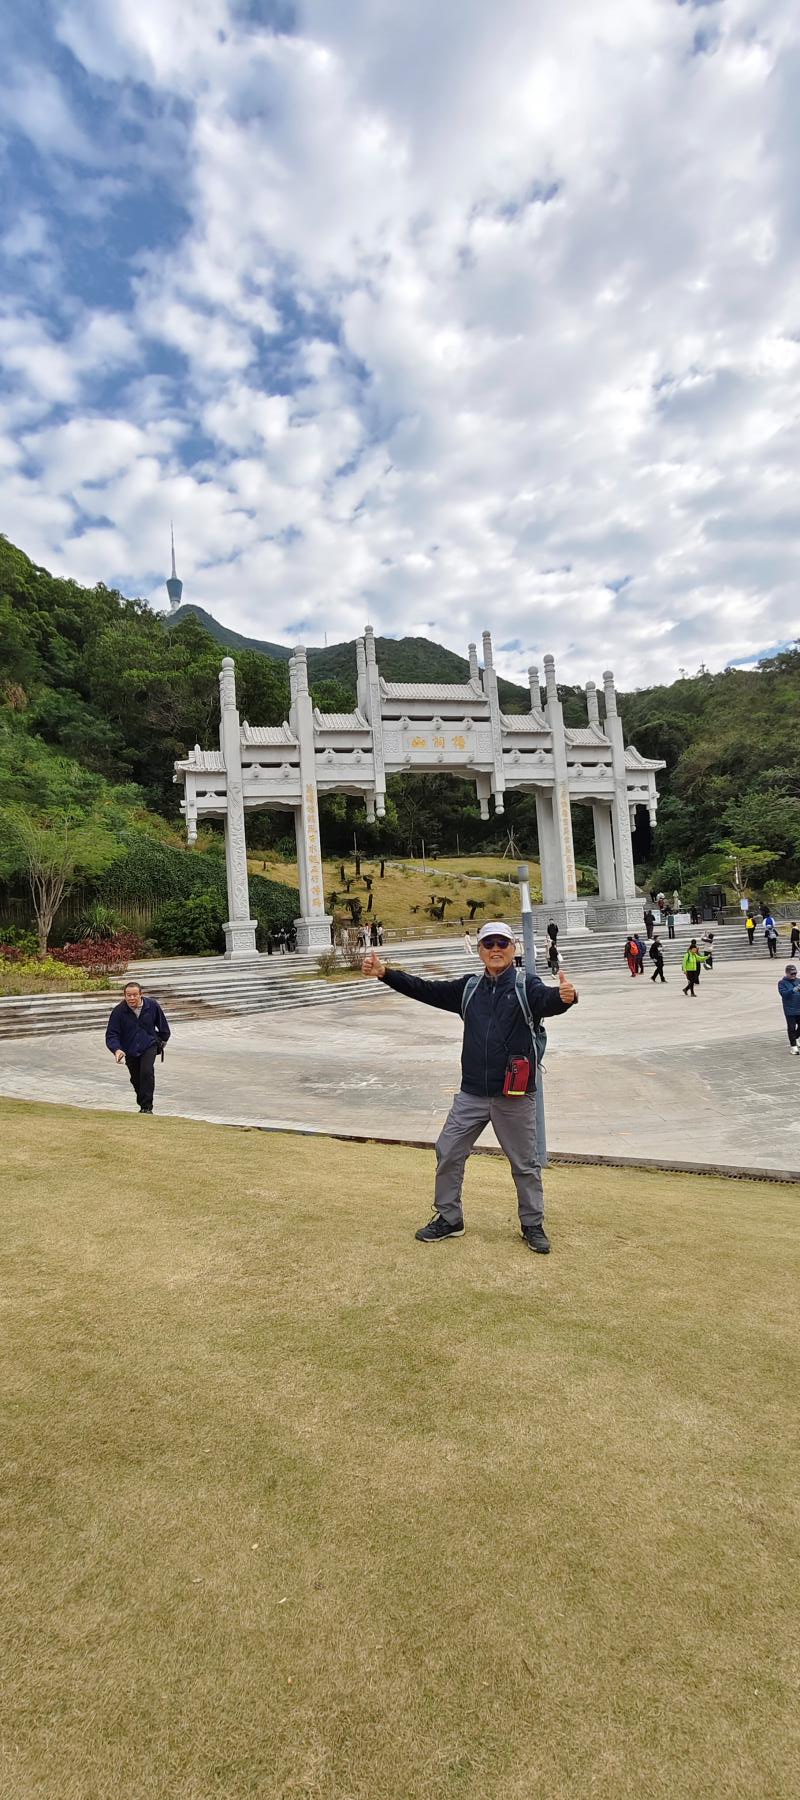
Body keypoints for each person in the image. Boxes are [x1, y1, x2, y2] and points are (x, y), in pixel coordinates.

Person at [361, 920, 578, 1254]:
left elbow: (548, 1000)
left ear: (514, 948)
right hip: (472, 1093)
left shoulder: (526, 986)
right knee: (448, 1150)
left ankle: (532, 1224)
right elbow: (426, 989)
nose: (495, 950)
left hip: (514, 1096)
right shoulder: (469, 988)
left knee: (525, 1164)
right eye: (489, 944)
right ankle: (449, 1218)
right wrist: (385, 973)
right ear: (479, 950)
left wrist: (566, 998)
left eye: (502, 944)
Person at [105, 980, 171, 1114]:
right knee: (136, 1078)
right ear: (124, 996)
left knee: (147, 1072)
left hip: (149, 1044)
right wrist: (116, 1049)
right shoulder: (119, 1011)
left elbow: (163, 1027)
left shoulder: (152, 1005)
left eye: (134, 995)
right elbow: (112, 1034)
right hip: (130, 1048)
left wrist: (161, 1041)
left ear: (141, 994)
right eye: (128, 995)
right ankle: (142, 1105)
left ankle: (147, 1107)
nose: (131, 998)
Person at [778, 963, 800, 1054]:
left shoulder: (799, 980)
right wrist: (793, 990)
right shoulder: (782, 983)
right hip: (790, 1009)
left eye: (795, 973)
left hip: (799, 1007)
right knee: (791, 1028)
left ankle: (795, 1037)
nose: (794, 975)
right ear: (787, 973)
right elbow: (784, 994)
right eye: (792, 974)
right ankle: (793, 1046)